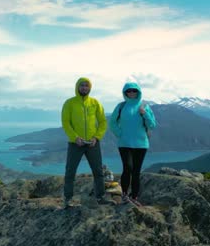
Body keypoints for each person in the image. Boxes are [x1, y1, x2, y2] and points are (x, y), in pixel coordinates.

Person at [61, 77, 108, 208]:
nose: (84, 88)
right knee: (70, 172)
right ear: (77, 87)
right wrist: (75, 137)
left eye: (86, 86)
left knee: (98, 171)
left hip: (93, 143)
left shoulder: (95, 103)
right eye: (82, 85)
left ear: (90, 88)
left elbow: (103, 122)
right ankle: (68, 199)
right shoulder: (69, 103)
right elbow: (66, 122)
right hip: (75, 143)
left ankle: (100, 197)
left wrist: (96, 137)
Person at [109, 82, 157, 207]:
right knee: (128, 168)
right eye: (128, 91)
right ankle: (125, 194)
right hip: (124, 143)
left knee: (136, 171)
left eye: (134, 91)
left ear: (138, 92)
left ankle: (134, 196)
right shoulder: (121, 106)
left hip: (141, 144)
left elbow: (152, 125)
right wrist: (119, 133)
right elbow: (112, 122)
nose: (131, 93)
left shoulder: (144, 106)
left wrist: (144, 114)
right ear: (125, 93)